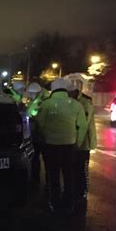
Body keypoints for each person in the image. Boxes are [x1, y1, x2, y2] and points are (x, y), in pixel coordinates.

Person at [36, 79, 87, 213]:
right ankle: (69, 203)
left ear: (53, 90)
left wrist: (45, 135)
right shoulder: (76, 105)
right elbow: (83, 126)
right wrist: (78, 142)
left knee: (53, 175)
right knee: (69, 175)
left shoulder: (46, 104)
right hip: (69, 145)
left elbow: (40, 123)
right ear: (66, 90)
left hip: (50, 145)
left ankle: (54, 202)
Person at [69, 87, 97, 205]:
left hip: (84, 143)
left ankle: (83, 192)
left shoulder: (85, 103)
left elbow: (83, 124)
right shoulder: (72, 101)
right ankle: (75, 190)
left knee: (82, 169)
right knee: (73, 168)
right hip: (73, 142)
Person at [26, 82, 48, 184]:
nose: (30, 94)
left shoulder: (41, 102)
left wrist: (32, 117)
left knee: (39, 159)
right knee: (38, 159)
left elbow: (36, 116)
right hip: (39, 135)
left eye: (31, 93)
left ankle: (37, 180)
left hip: (41, 135)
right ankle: (38, 179)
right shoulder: (37, 100)